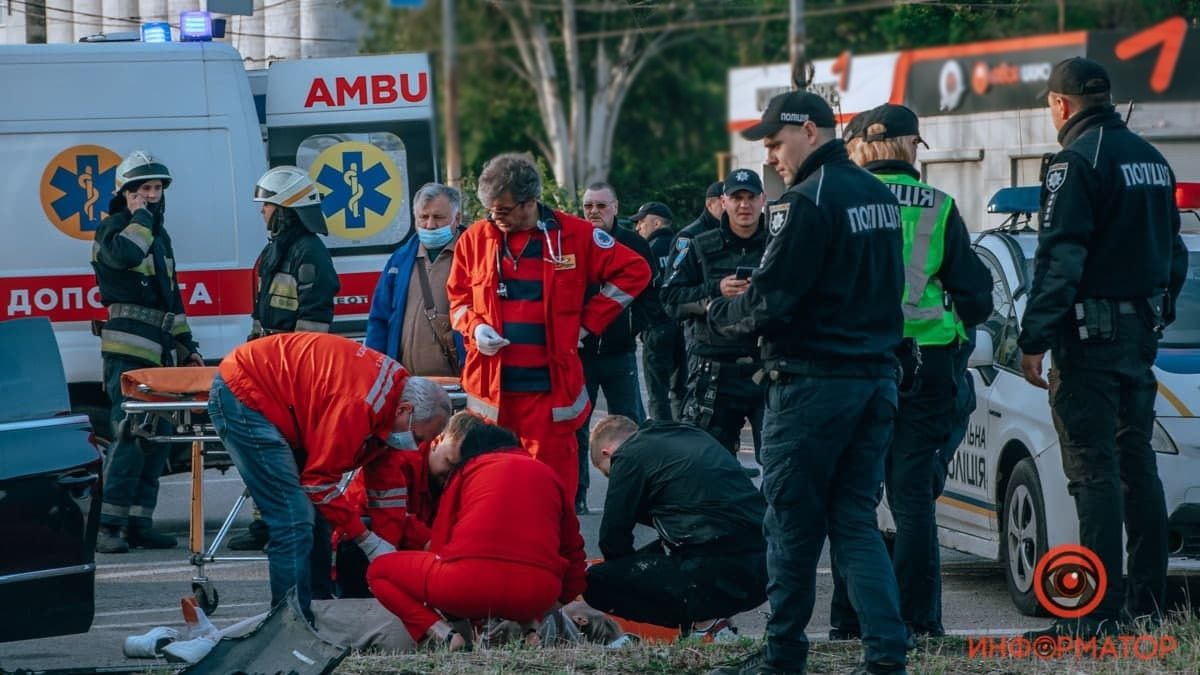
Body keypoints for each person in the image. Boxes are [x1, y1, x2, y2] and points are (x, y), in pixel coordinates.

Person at [705, 91, 909, 675]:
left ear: (811, 132)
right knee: (854, 522)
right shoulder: (879, 195)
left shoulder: (804, 200)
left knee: (791, 525)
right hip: (873, 380)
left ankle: (783, 654)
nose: (770, 158)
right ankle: (887, 655)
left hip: (813, 387)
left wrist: (717, 317)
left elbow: (772, 302)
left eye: (775, 143)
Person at [1018, 58, 1186, 637]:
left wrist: (1034, 336)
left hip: (1088, 342)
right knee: (1138, 468)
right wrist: (1154, 315)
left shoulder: (1075, 162)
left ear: (1061, 105)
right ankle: (1148, 606)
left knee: (1093, 476)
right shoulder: (1153, 161)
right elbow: (1177, 254)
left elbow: (1060, 258)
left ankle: (1096, 616)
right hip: (1138, 337)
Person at [828, 104, 993, 640]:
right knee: (914, 498)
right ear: (910, 147)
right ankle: (920, 621)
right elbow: (975, 295)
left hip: (854, 363)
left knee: (852, 497)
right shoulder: (939, 207)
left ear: (862, 148)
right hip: (927, 363)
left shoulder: (838, 200)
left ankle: (850, 619)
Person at [446, 153, 651, 500]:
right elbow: (458, 300)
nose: (496, 218)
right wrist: (476, 329)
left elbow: (636, 272)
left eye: (504, 210)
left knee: (551, 490)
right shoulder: (475, 239)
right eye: (491, 210)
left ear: (530, 203)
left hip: (550, 397)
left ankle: (558, 554)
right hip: (492, 398)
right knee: (494, 492)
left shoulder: (574, 235)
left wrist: (587, 324)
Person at [207, 332, 452, 622]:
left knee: (316, 517)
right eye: (418, 436)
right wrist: (367, 540)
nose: (417, 446)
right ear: (405, 410)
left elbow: (386, 491)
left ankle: (320, 610)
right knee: (293, 518)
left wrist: (388, 555)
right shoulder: (360, 404)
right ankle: (290, 624)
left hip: (277, 396)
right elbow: (318, 481)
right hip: (246, 392)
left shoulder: (391, 404)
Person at [367, 412, 587, 650]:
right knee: (521, 572)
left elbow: (440, 547)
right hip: (536, 594)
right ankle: (531, 630)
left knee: (378, 572)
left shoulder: (466, 471)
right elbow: (575, 553)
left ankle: (448, 636)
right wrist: (553, 602)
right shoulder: (549, 474)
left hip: (467, 585)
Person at [91, 150, 203, 554]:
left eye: (156, 188)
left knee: (158, 436)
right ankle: (109, 527)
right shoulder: (113, 230)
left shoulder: (160, 236)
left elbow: (171, 296)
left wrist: (188, 347)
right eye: (144, 189)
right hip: (128, 351)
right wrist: (138, 217)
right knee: (128, 433)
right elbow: (124, 256)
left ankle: (140, 522)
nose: (153, 195)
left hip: (161, 351)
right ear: (126, 193)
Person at [230, 165, 340, 553]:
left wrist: (294, 376)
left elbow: (312, 332)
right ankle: (267, 525)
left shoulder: (310, 253)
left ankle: (292, 528)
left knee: (290, 453)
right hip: (266, 370)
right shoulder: (275, 251)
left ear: (286, 209)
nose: (262, 213)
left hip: (292, 375)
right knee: (267, 449)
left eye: (267, 206)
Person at [584, 415, 767, 638]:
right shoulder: (687, 434)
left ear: (607, 453)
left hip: (718, 573)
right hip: (765, 567)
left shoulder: (627, 455)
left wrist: (627, 576)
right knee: (660, 552)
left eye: (608, 473)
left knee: (596, 583)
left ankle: (705, 620)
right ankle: (710, 619)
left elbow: (612, 538)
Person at [662, 169, 769, 470]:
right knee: (709, 465)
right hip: (715, 371)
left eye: (751, 198)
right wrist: (715, 291)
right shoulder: (698, 244)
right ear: (724, 202)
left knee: (781, 465)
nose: (744, 205)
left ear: (763, 200)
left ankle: (767, 519)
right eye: (737, 198)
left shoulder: (780, 243)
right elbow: (670, 299)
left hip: (769, 367)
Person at [574, 182, 654, 513]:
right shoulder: (574, 243)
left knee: (630, 424)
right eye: (589, 206)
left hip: (619, 351)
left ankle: (633, 494)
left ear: (615, 207)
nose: (594, 212)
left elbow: (649, 293)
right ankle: (577, 494)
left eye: (601, 206)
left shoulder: (634, 244)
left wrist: (640, 329)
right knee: (576, 425)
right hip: (580, 352)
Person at [365, 182, 466, 376]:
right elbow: (379, 319)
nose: (430, 225)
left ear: (457, 218)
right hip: (408, 384)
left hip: (459, 382)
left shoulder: (475, 257)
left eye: (438, 217)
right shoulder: (400, 259)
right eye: (423, 217)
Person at [632, 201, 687, 422]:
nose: (638, 228)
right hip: (683, 328)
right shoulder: (683, 248)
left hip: (656, 329)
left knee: (657, 394)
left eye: (641, 223)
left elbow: (637, 289)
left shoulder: (647, 251)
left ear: (656, 222)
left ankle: (663, 441)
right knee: (681, 390)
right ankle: (683, 436)